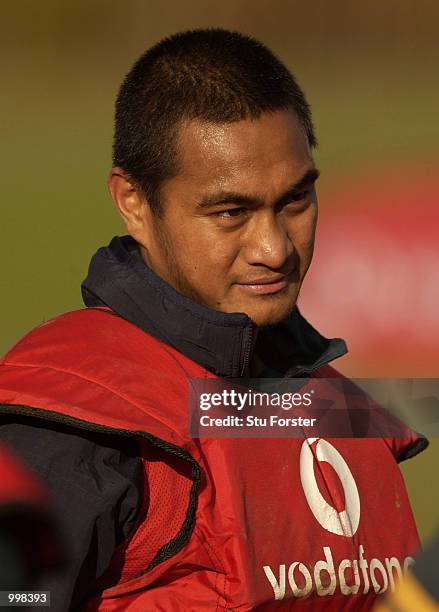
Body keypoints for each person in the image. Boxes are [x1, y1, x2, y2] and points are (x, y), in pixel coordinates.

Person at [0, 28, 427, 610]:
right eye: (231, 212)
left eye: (295, 201)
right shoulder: (72, 418)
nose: (275, 248)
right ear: (134, 202)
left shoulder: (335, 404)